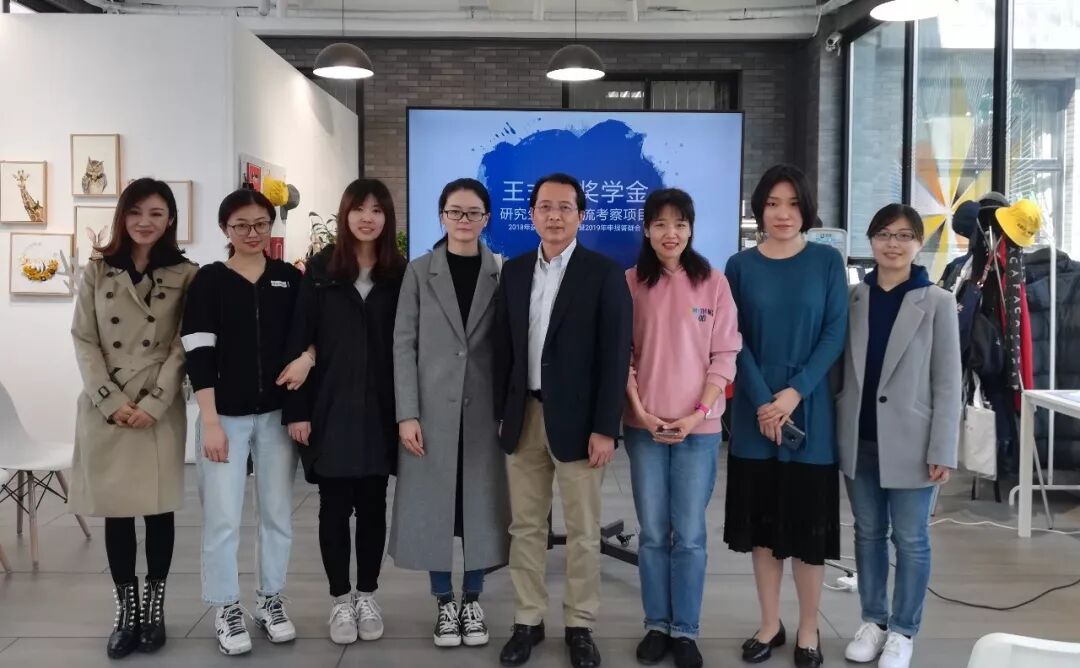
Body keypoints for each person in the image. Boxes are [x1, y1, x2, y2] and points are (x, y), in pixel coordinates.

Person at [493, 173, 633, 668]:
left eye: (565, 207)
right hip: (524, 416)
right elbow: (502, 349)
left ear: (581, 215)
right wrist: (501, 413)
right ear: (531, 214)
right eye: (545, 207)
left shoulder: (604, 273)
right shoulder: (513, 272)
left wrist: (606, 427)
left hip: (581, 423)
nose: (554, 216)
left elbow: (615, 356)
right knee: (525, 527)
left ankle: (580, 625)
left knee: (582, 529)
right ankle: (527, 620)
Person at [723, 164, 847, 668]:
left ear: (806, 210)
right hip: (755, 414)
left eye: (793, 204)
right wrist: (762, 401)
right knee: (764, 530)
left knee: (807, 533)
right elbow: (733, 338)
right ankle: (770, 623)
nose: (782, 213)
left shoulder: (826, 262)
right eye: (773, 203)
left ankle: (809, 628)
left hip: (808, 409)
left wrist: (793, 394)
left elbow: (835, 333)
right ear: (759, 209)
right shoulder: (739, 266)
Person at [69, 178, 198, 659]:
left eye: (157, 213)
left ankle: (154, 611)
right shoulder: (98, 269)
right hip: (107, 407)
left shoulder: (187, 273)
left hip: (157, 407)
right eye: (136, 211)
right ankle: (126, 613)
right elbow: (84, 338)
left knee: (159, 510)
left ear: (170, 220)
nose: (146, 222)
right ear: (123, 216)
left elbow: (185, 342)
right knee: (118, 513)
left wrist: (156, 402)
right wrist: (108, 398)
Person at [181, 189, 306, 656]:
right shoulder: (209, 281)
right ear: (225, 229)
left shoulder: (288, 279)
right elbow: (198, 352)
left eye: (260, 224)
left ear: (271, 226)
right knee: (223, 518)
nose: (252, 233)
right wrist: (210, 421)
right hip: (224, 418)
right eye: (241, 225)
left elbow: (306, 336)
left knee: (277, 515)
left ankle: (270, 599)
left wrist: (308, 360)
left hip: (275, 416)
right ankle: (226, 606)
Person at [837, 204, 961, 668]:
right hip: (859, 439)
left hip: (914, 443)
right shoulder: (853, 298)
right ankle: (874, 620)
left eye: (904, 235)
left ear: (918, 243)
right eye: (884, 234)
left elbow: (948, 382)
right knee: (868, 533)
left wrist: (943, 447)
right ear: (871, 241)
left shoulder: (938, 301)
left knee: (911, 539)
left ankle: (904, 630)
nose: (893, 243)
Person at [284, 178, 406, 646]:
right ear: (345, 214)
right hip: (329, 408)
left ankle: (367, 595)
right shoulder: (320, 270)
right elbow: (300, 339)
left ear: (387, 217)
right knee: (333, 509)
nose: (367, 217)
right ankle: (340, 599)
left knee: (373, 506)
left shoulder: (399, 274)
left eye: (377, 209)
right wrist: (298, 411)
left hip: (381, 410)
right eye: (359, 208)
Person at [623, 189, 741, 668]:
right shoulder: (630, 282)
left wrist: (697, 414)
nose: (670, 233)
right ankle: (656, 624)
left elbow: (725, 356)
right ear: (646, 230)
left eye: (679, 224)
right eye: (660, 224)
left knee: (689, 534)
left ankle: (686, 630)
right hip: (644, 428)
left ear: (691, 229)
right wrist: (642, 412)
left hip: (700, 429)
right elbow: (622, 356)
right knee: (653, 532)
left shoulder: (713, 283)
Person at [390, 178, 511, 649]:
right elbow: (403, 345)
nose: (464, 220)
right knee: (433, 507)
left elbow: (511, 347)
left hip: (484, 413)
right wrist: (407, 413)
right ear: (441, 216)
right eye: (455, 212)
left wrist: (508, 410)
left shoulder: (501, 272)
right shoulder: (420, 272)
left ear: (487, 218)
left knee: (480, 505)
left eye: (473, 212)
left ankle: (473, 598)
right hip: (430, 412)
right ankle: (443, 602)